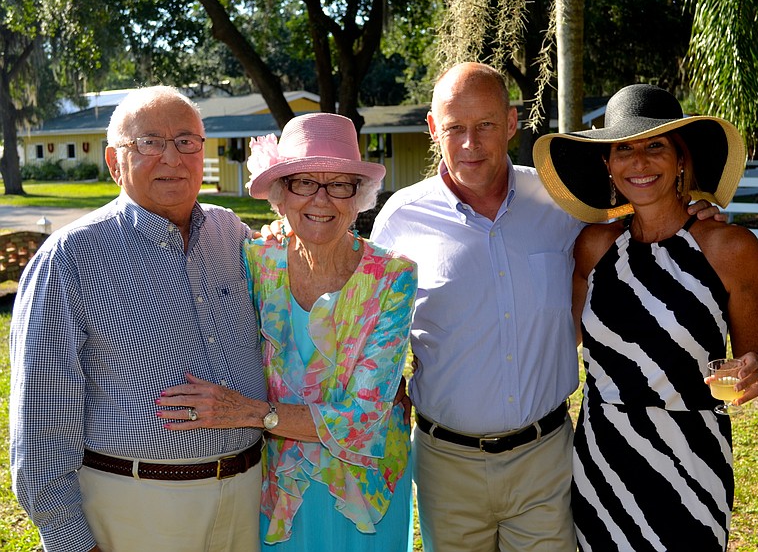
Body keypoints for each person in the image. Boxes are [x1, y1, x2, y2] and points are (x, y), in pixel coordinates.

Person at [370, 63, 721, 551]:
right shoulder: (400, 219)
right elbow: (366, 329)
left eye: (486, 125)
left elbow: (645, 210)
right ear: (433, 129)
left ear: (512, 122)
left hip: (545, 460)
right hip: (445, 464)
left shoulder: (563, 203)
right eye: (454, 129)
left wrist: (696, 207)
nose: (470, 144)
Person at [9, 86, 267, 552]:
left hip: (250, 496)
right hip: (138, 506)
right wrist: (69, 540)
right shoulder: (70, 258)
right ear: (113, 162)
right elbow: (41, 420)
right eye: (149, 142)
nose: (172, 157)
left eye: (187, 141)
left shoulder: (232, 234)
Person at [533, 83, 758, 551]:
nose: (639, 163)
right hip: (603, 459)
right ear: (607, 163)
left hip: (691, 460)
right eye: (623, 149)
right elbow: (565, 334)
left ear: (681, 158)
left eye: (655, 146)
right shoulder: (594, 247)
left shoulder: (729, 248)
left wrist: (757, 371)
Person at [157, 112, 417, 551]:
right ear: (280, 195)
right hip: (278, 485)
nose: (321, 200)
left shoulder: (393, 277)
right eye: (304, 183)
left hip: (364, 487)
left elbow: (363, 417)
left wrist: (249, 413)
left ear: (360, 197)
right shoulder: (255, 261)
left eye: (339, 184)